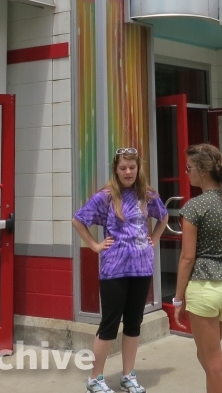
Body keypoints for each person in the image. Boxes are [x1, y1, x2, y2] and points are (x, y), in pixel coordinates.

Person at [73, 147, 168, 393]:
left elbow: (163, 217)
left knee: (134, 323)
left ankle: (128, 375)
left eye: (132, 167)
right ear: (115, 169)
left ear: (138, 169)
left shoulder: (147, 195)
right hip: (114, 269)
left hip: (142, 267)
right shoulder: (105, 196)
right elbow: (78, 219)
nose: (128, 172)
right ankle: (95, 378)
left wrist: (154, 239)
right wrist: (94, 245)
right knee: (109, 324)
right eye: (123, 167)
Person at [174, 144, 222, 393]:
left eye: (189, 168)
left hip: (205, 288)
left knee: (212, 363)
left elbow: (187, 257)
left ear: (203, 171)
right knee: (211, 362)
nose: (186, 172)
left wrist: (177, 298)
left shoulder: (195, 206)